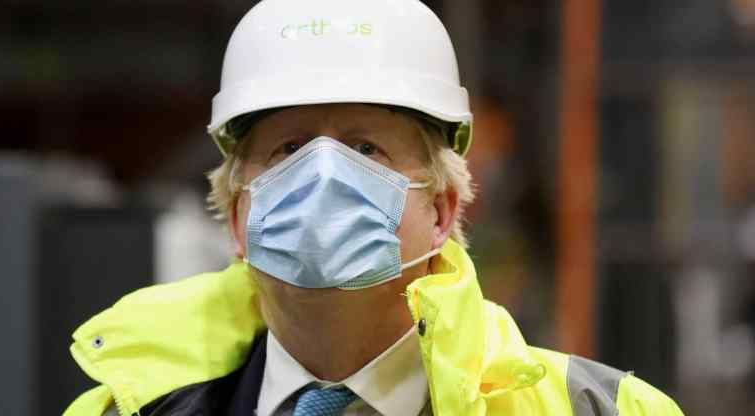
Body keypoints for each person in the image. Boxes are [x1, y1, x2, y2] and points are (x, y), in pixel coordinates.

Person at [64, 0, 683, 414]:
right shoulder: (127, 408)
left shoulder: (597, 410)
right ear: (238, 220)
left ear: (441, 211)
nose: (323, 175)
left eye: (365, 148)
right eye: (289, 149)